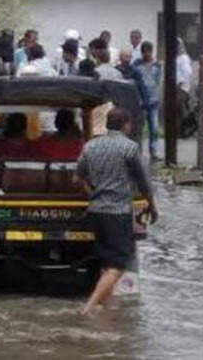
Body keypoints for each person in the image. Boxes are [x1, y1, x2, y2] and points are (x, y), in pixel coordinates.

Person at [75, 107, 156, 316]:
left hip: (95, 211)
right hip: (117, 212)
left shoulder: (90, 146)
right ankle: (89, 307)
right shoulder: (129, 148)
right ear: (126, 125)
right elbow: (143, 182)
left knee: (106, 263)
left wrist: (93, 192)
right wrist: (152, 206)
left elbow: (78, 177)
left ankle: (107, 311)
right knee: (118, 264)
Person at [133, 41, 161, 158]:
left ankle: (153, 150)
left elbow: (157, 82)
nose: (147, 54)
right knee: (139, 127)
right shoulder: (136, 64)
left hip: (153, 100)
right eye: (145, 52)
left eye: (149, 52)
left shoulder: (156, 65)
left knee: (154, 127)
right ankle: (138, 151)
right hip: (140, 100)